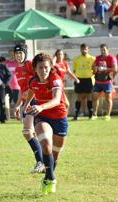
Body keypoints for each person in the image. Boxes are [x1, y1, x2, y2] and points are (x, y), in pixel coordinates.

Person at [24, 53, 69, 194]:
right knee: (45, 144)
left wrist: (41, 106)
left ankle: (48, 178)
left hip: (60, 117)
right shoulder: (33, 81)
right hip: (42, 116)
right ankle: (52, 178)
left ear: (50, 68)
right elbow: (31, 91)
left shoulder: (55, 80)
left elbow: (56, 100)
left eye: (46, 67)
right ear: (35, 69)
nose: (44, 70)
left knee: (55, 154)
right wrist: (26, 105)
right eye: (40, 67)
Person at [12, 44, 44, 174]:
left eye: (21, 53)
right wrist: (18, 104)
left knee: (27, 131)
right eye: (16, 53)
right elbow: (22, 89)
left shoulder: (30, 65)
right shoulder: (17, 69)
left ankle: (41, 162)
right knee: (32, 133)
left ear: (25, 54)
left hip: (34, 101)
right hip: (26, 103)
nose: (19, 56)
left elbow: (39, 78)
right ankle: (43, 161)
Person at [92, 44, 117, 119]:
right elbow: (93, 67)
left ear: (107, 50)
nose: (103, 51)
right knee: (95, 97)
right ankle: (94, 115)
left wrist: (104, 69)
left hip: (107, 82)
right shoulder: (97, 58)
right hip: (98, 81)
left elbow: (115, 69)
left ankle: (108, 115)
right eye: (101, 50)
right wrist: (95, 68)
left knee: (108, 98)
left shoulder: (111, 58)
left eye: (104, 50)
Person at [73, 44, 95, 120]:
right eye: (82, 49)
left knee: (89, 97)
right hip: (79, 79)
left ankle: (90, 114)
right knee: (79, 97)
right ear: (80, 49)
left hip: (88, 79)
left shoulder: (92, 59)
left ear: (88, 49)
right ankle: (76, 115)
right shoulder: (76, 59)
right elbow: (74, 70)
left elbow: (94, 70)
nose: (84, 50)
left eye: (85, 49)